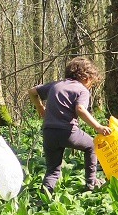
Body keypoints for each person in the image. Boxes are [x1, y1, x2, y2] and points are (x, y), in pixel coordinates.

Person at [28, 57, 111, 195]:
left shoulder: (55, 85)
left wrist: (40, 107)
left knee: (52, 169)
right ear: (86, 78)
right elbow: (80, 109)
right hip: (67, 131)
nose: (89, 86)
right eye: (91, 83)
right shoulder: (82, 90)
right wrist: (98, 127)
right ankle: (91, 182)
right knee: (92, 145)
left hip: (49, 132)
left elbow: (32, 92)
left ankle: (44, 197)